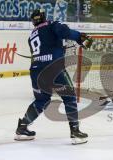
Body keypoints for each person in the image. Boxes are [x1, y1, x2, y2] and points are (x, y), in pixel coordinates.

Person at [14, 9, 93, 144]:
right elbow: (65, 32)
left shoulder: (31, 36)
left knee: (42, 100)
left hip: (36, 71)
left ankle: (22, 127)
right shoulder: (52, 24)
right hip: (54, 69)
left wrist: (59, 49)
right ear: (44, 17)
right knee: (69, 97)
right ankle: (75, 132)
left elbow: (45, 49)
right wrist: (80, 37)